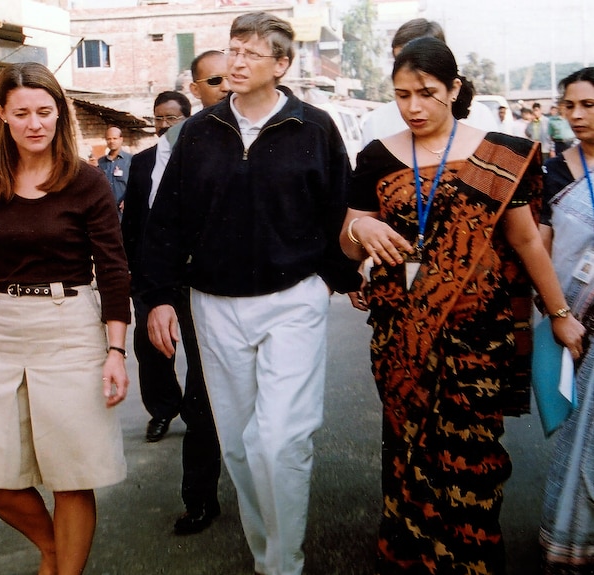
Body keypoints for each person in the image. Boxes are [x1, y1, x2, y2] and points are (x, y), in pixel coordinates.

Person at [340, 37, 585, 574]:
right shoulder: (377, 155)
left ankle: (471, 557)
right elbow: (347, 238)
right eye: (402, 95)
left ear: (454, 89)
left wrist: (560, 313)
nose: (414, 107)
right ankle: (412, 555)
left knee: (473, 454)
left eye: (427, 93)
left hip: (479, 335)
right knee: (408, 448)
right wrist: (362, 225)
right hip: (401, 333)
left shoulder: (498, 152)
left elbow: (524, 242)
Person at [141, 13, 360, 575]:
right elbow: (166, 221)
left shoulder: (314, 129)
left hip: (292, 301)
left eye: (250, 54)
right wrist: (160, 297)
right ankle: (268, 554)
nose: (235, 62)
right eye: (232, 50)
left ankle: (283, 563)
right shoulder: (198, 132)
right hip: (213, 305)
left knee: (281, 439)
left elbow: (341, 209)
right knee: (239, 445)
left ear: (282, 65)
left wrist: (337, 278)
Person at [0, 61, 131, 575]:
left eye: (45, 112)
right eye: (22, 112)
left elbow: (114, 272)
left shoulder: (87, 182)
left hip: (69, 326)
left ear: (59, 115)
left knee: (72, 474)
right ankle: (52, 551)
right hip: (0, 330)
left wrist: (116, 352)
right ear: (1, 114)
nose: (35, 124)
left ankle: (63, 570)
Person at [538, 67, 594, 574]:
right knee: (580, 436)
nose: (575, 115)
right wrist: (557, 315)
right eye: (568, 105)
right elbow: (543, 246)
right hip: (577, 323)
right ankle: (574, 542)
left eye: (589, 105)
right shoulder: (556, 171)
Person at [121, 91, 191, 445]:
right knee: (152, 346)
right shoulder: (143, 161)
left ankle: (198, 411)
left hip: (193, 272)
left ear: (187, 119)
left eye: (171, 118)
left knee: (198, 343)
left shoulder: (199, 156)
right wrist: (131, 267)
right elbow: (132, 220)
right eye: (158, 118)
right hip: (150, 270)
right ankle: (162, 410)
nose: (163, 125)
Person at [360, 18, 497, 147]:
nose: (414, 108)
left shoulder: (480, 118)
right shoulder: (377, 122)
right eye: (401, 61)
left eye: (426, 93)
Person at [98, 125, 132, 217]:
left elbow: (137, 185)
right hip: (106, 211)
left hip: (124, 211)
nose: (112, 141)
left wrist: (128, 199)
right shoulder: (100, 162)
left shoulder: (131, 160)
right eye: (109, 139)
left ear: (121, 139)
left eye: (115, 138)